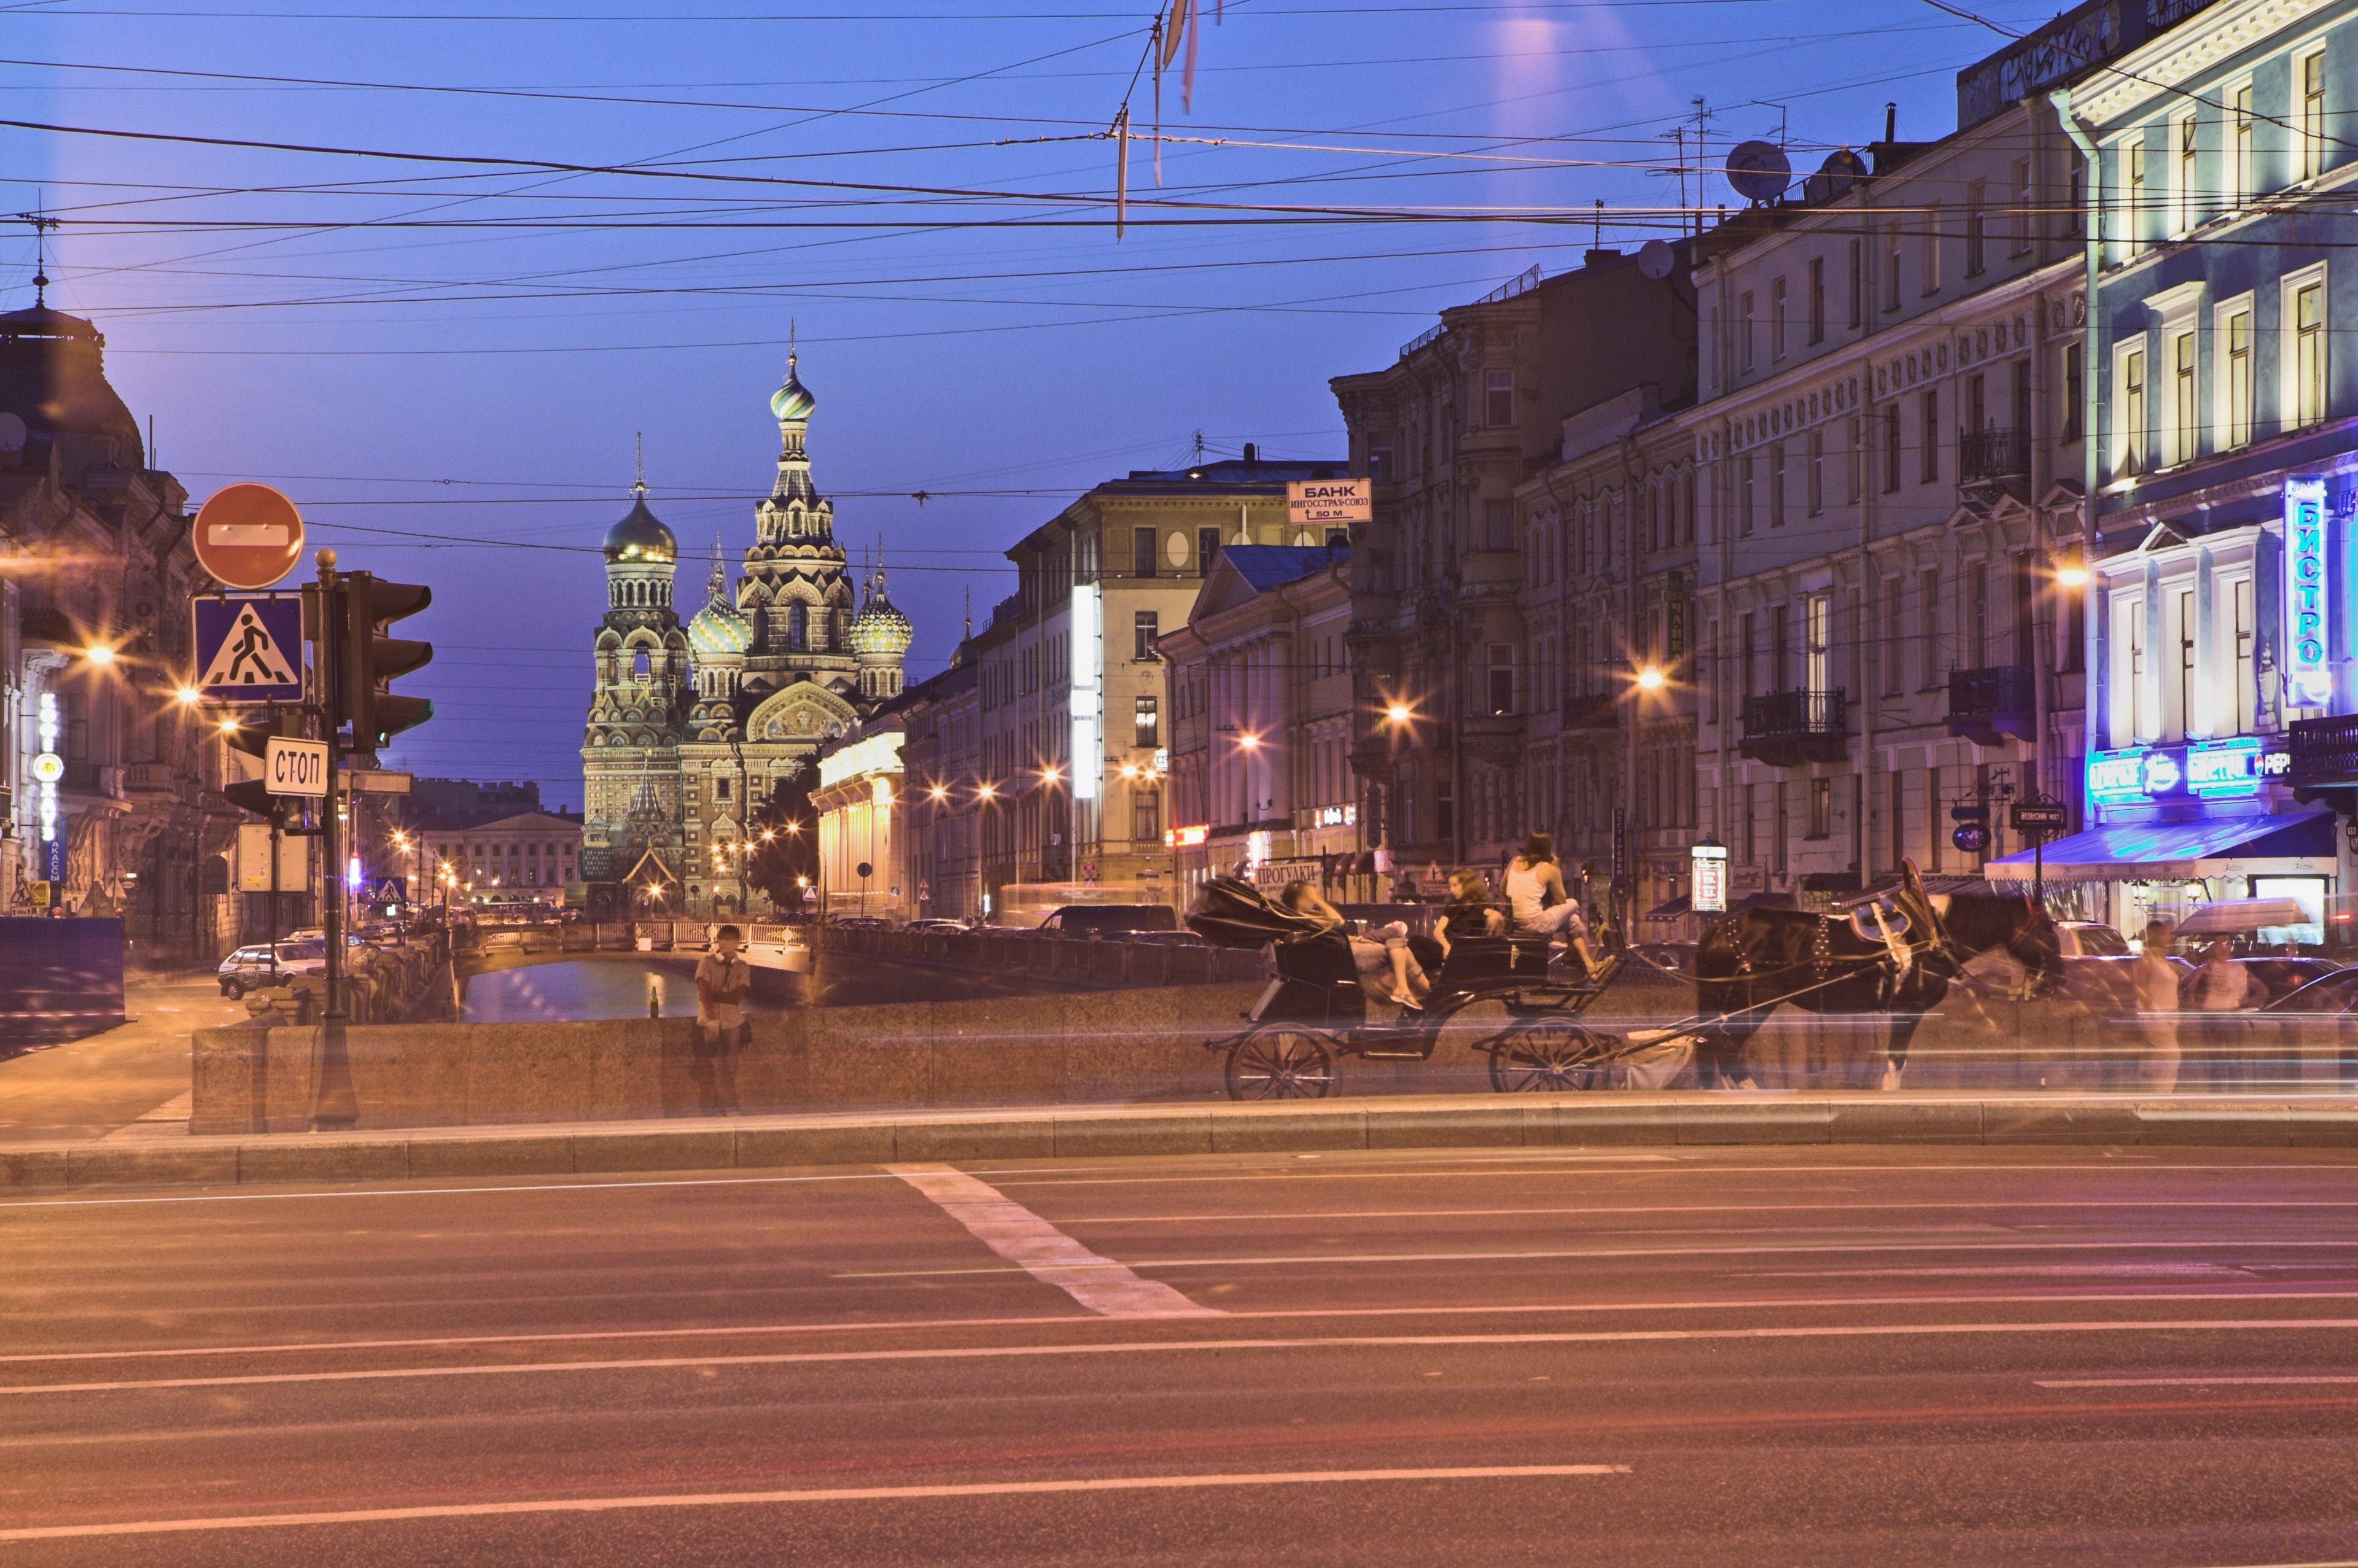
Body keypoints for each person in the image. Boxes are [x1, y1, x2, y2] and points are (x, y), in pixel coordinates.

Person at [1280, 881, 1429, 1010]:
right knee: (1401, 949)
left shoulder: (1305, 916)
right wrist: (1320, 901)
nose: (1314, 899)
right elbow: (1338, 921)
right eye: (1310, 896)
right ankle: (1419, 990)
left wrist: (1357, 939)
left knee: (1396, 933)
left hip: (1344, 945)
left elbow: (1329, 934)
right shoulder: (1301, 919)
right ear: (1300, 899)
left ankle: (1397, 985)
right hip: (1343, 955)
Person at [1502, 832, 1600, 974]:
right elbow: (1561, 900)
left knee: (1573, 920)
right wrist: (1556, 867)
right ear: (1548, 848)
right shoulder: (1548, 868)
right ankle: (1575, 956)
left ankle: (1588, 964)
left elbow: (1502, 889)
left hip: (1515, 923)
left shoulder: (1514, 862)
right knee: (1573, 903)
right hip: (1537, 923)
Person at [693, 924, 753, 1114]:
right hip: (710, 1023)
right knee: (719, 1066)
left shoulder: (743, 967)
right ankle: (730, 1107)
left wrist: (713, 995)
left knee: (730, 1067)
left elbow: (737, 998)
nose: (726, 943)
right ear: (718, 941)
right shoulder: (707, 963)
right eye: (723, 939)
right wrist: (712, 1017)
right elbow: (704, 992)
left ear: (737, 943)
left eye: (730, 939)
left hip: (733, 1023)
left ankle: (721, 1106)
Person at [2133, 919, 2181, 1094]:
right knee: (2172, 1055)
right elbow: (2139, 985)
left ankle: (2155, 1094)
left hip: (2169, 1015)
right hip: (2155, 1016)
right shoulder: (2148, 958)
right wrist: (2152, 1010)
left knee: (2159, 1058)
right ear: (2157, 936)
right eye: (2166, 933)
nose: (2170, 936)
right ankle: (2162, 1095)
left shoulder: (2163, 959)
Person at [1435, 867, 1502, 960]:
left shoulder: (1477, 906)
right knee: (1417, 946)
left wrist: (1494, 915)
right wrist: (1447, 947)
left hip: (1465, 951)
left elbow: (1494, 914)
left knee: (1416, 943)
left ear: (1467, 885)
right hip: (1449, 947)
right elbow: (1438, 931)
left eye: (1455, 885)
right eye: (1450, 886)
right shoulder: (1453, 905)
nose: (1451, 890)